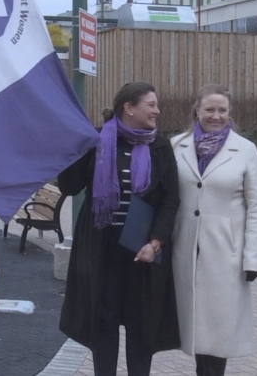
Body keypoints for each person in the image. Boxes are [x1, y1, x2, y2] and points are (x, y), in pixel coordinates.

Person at [58, 82, 181, 376]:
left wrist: (156, 242)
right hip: (102, 250)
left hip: (143, 252)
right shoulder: (98, 141)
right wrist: (74, 145)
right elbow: (69, 186)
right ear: (129, 108)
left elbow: (170, 199)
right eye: (150, 105)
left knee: (142, 324)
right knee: (104, 321)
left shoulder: (160, 146)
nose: (157, 111)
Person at [170, 84, 257, 376]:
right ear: (197, 110)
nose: (215, 115)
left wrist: (253, 258)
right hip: (184, 249)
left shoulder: (245, 150)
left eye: (222, 110)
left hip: (225, 254)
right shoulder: (177, 146)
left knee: (219, 333)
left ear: (229, 113)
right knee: (194, 329)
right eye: (209, 109)